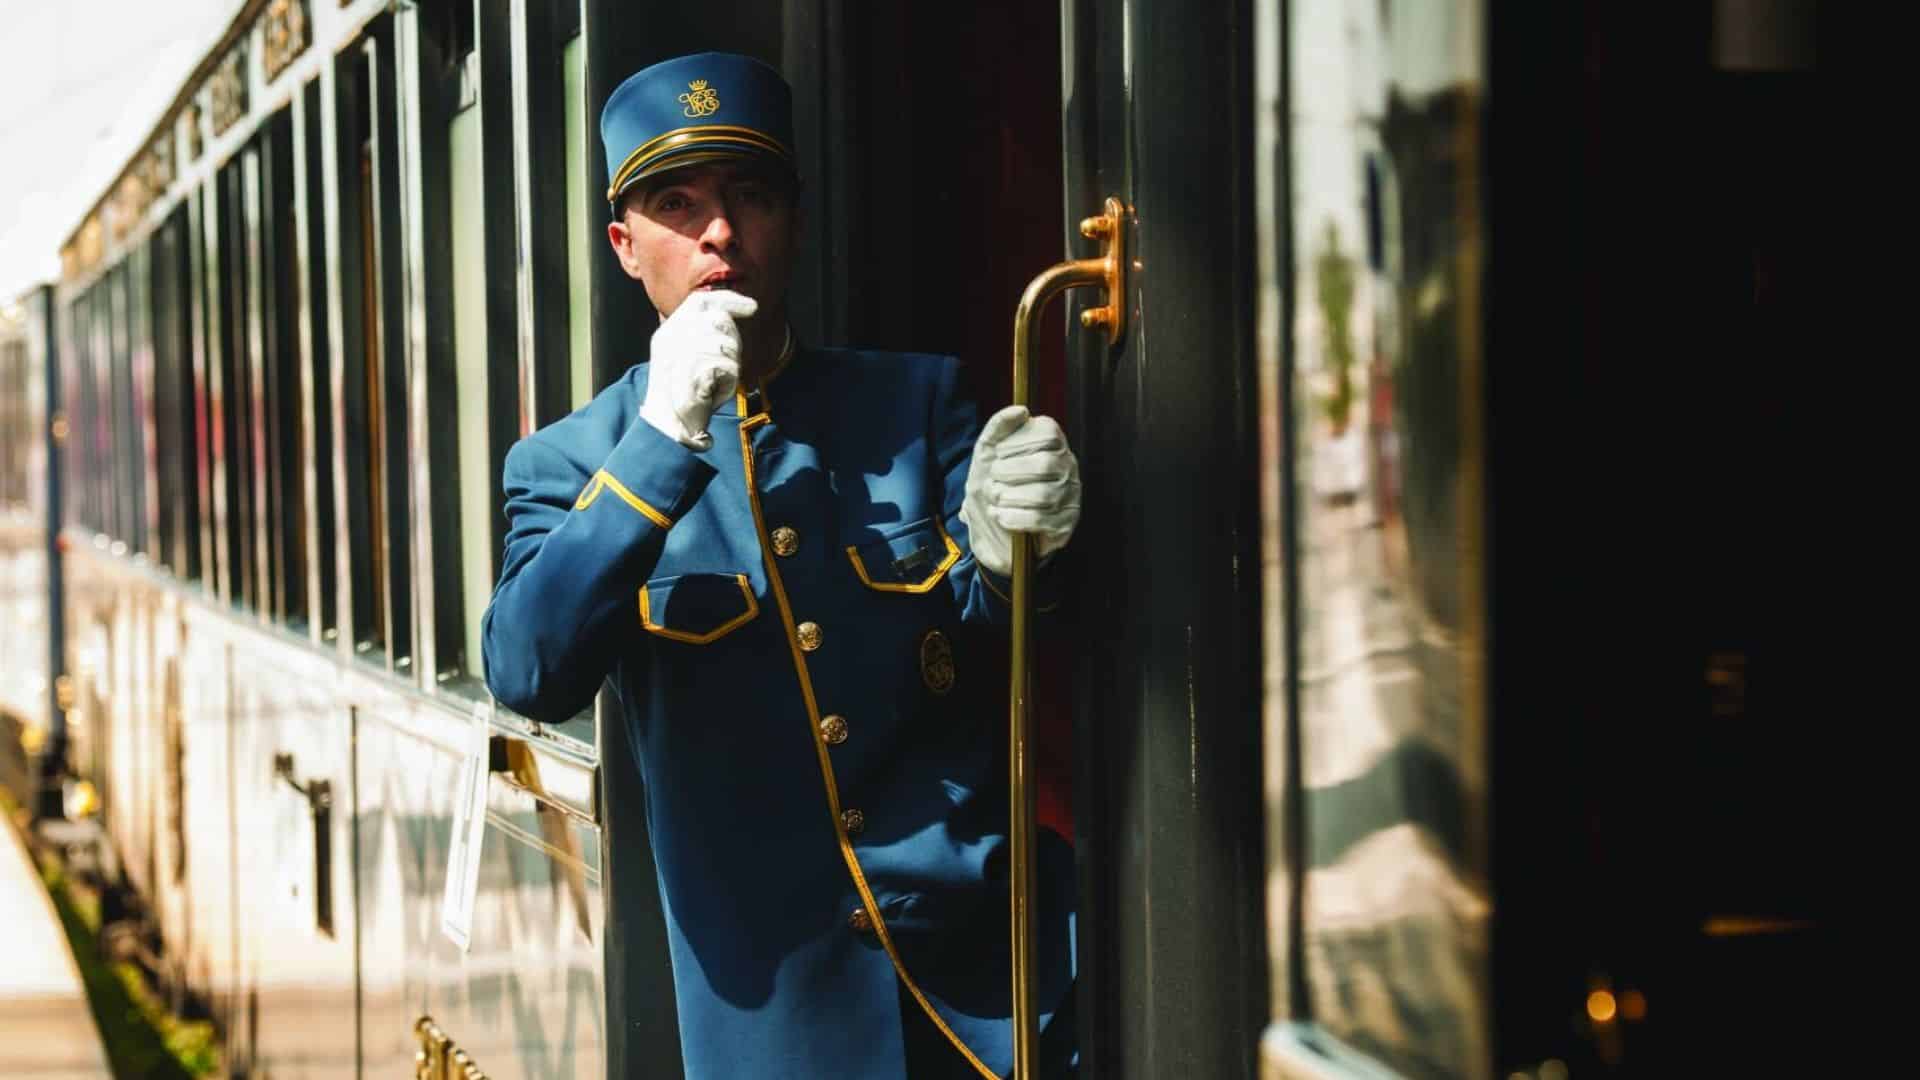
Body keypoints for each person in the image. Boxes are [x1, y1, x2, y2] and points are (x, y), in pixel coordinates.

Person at [480, 51, 1082, 1079]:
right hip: (779, 1033)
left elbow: (999, 645)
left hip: (987, 1003)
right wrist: (664, 440)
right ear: (628, 247)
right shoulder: (572, 462)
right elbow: (528, 669)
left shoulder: (917, 403)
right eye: (679, 204)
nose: (720, 233)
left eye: (750, 196)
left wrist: (1010, 556)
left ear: (792, 220)